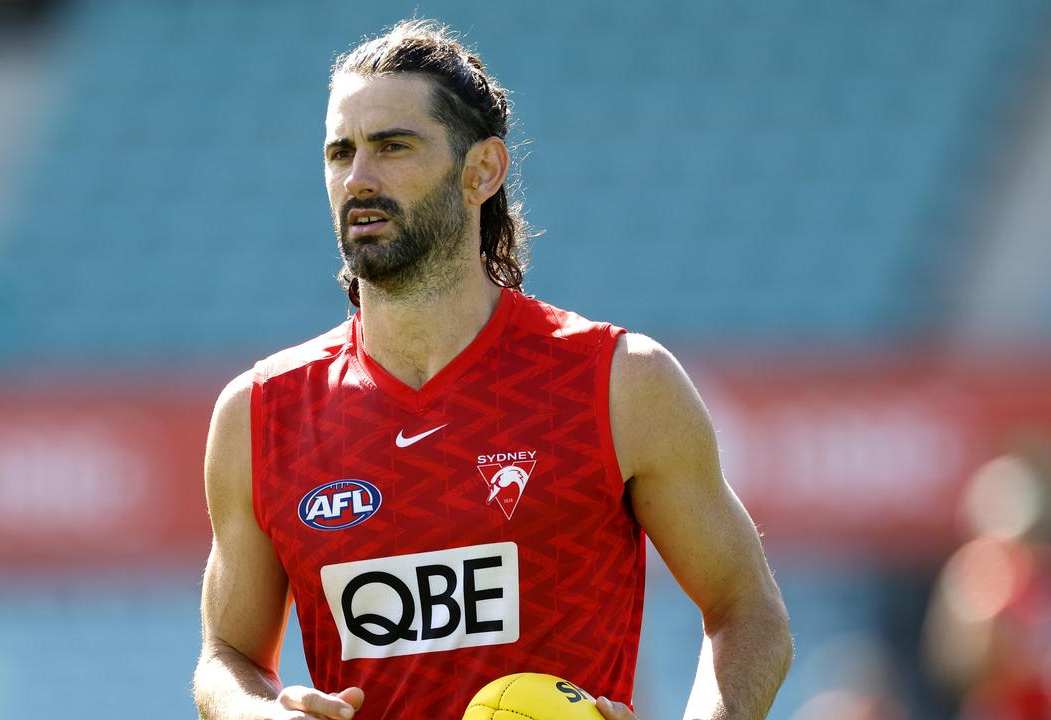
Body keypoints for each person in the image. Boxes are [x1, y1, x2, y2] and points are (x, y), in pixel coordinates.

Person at [193, 19, 792, 720]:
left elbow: (748, 613)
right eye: (340, 152)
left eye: (393, 147)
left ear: (483, 171)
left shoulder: (620, 382)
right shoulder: (261, 415)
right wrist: (259, 714)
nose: (358, 178)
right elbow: (225, 656)